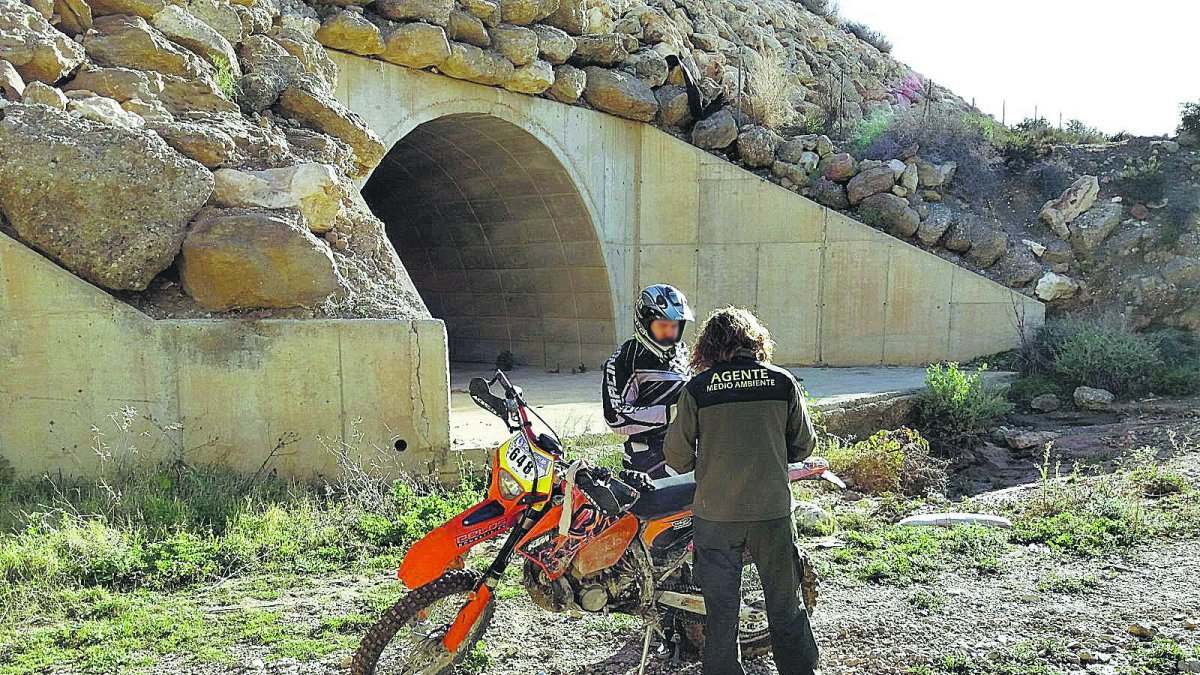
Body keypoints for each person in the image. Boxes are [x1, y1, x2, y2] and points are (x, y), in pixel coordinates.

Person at [664, 306, 820, 675]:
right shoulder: (782, 382)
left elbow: (677, 458)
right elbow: (803, 447)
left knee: (721, 611)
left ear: (708, 346)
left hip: (716, 516)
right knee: (785, 603)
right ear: (755, 341)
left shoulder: (698, 390)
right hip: (772, 513)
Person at [602, 284, 694, 480]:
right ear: (644, 322)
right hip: (647, 457)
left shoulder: (684, 353)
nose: (670, 334)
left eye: (674, 327)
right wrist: (672, 412)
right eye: (662, 327)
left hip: (685, 450)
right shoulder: (624, 360)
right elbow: (616, 417)